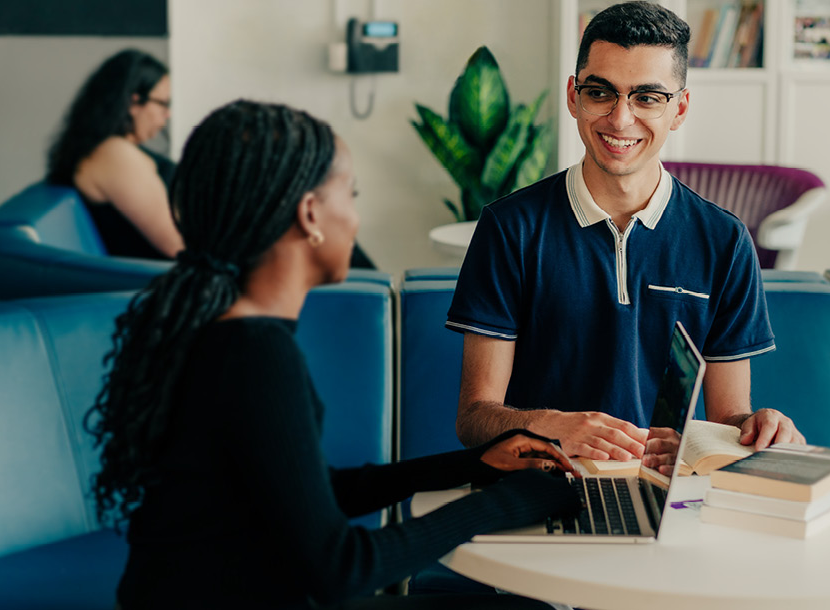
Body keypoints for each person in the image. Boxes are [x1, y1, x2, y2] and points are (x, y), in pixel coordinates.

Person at [85, 100, 578, 609]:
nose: (357, 217)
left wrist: (475, 464)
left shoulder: (221, 328)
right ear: (310, 214)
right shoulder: (255, 354)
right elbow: (341, 569)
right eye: (352, 195)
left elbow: (312, 492)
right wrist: (510, 503)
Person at [447, 1, 805, 473]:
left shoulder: (724, 241)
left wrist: (759, 427)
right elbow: (474, 418)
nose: (620, 119)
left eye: (647, 98)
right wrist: (553, 425)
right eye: (601, 93)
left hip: (661, 493)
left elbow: (726, 419)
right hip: (537, 490)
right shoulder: (508, 229)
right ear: (574, 96)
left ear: (679, 109)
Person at [46, 48, 184, 260]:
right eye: (163, 104)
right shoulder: (114, 154)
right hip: (151, 280)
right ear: (133, 103)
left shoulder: (111, 150)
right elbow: (177, 244)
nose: (168, 114)